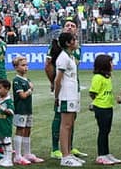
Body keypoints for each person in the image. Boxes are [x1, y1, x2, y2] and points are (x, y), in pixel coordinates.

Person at [47, 20, 85, 160]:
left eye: (72, 26)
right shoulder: (58, 50)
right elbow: (49, 66)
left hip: (74, 87)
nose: (69, 27)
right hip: (65, 90)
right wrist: (54, 86)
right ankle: (58, 150)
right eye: (67, 25)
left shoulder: (75, 50)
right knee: (62, 119)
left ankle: (68, 148)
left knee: (70, 119)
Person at [53, 31, 82, 168]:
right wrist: (57, 96)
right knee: (65, 125)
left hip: (72, 94)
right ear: (68, 43)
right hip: (66, 95)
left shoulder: (69, 56)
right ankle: (64, 156)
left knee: (70, 124)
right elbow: (58, 80)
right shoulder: (63, 57)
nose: (76, 41)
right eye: (74, 39)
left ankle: (68, 153)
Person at [88, 53, 119, 166]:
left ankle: (106, 153)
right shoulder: (98, 78)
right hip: (101, 107)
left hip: (108, 106)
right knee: (103, 131)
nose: (113, 64)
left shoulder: (107, 77)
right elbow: (93, 93)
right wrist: (97, 103)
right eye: (111, 62)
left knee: (106, 131)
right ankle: (101, 155)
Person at [12, 55, 40, 165]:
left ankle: (27, 153)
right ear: (16, 67)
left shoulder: (27, 79)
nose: (26, 67)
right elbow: (22, 95)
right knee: (20, 130)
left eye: (26, 65)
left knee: (28, 130)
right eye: (23, 65)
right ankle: (17, 156)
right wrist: (30, 90)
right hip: (20, 109)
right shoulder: (16, 80)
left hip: (28, 109)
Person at [0, 79, 16, 167]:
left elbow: (11, 112)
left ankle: (9, 160)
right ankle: (5, 157)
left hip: (5, 125)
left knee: (7, 142)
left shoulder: (9, 101)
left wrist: (1, 108)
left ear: (7, 89)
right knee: (1, 143)